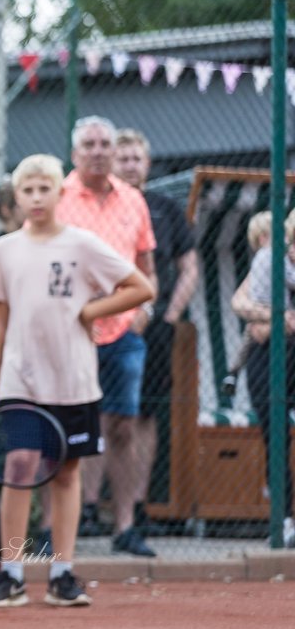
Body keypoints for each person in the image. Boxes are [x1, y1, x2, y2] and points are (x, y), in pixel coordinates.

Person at [0, 154, 153, 607]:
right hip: (21, 380)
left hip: (74, 379)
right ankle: (11, 573)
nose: (36, 198)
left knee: (67, 471)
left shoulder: (83, 244)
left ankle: (62, 573)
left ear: (60, 193)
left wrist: (91, 311)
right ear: (16, 197)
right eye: (27, 190)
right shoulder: (4, 249)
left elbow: (141, 287)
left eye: (45, 189)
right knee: (18, 466)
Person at [56, 116, 158, 557]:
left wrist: (143, 311)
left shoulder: (134, 200)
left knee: (121, 426)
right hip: (69, 330)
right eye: (90, 144)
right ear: (76, 153)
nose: (98, 151)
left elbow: (148, 270)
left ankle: (125, 527)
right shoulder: (57, 197)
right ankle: (53, 528)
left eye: (105, 144)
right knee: (60, 424)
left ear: (115, 152)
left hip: (124, 332)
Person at [114, 129, 198, 536]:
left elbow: (189, 267)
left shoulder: (166, 209)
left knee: (144, 415)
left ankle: (138, 507)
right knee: (101, 413)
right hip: (104, 324)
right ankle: (92, 509)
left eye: (136, 158)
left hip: (155, 327)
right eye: (123, 158)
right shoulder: (101, 208)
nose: (130, 165)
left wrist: (170, 314)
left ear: (147, 163)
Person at [231, 210, 295, 548]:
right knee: (277, 434)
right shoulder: (268, 265)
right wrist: (281, 317)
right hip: (267, 360)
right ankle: (283, 520)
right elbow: (241, 305)